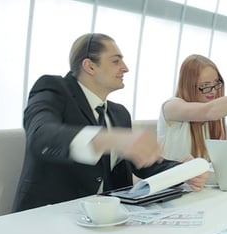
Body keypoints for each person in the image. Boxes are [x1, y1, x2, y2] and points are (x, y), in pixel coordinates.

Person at [13, 33, 207, 212]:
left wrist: (181, 171)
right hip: (50, 216)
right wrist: (108, 139)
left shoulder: (119, 113)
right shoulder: (53, 89)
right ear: (89, 66)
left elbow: (141, 164)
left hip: (108, 217)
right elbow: (41, 136)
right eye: (116, 61)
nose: (125, 68)